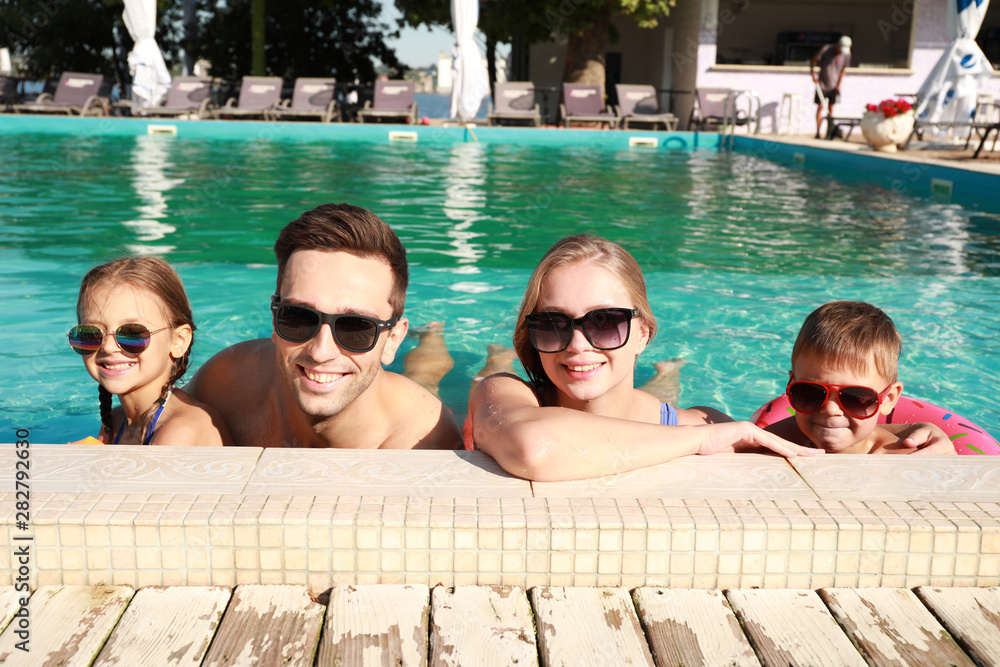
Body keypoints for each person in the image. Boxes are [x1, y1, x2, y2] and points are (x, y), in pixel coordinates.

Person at [467, 234, 826, 482]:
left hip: (662, 413)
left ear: (643, 333)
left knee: (662, 388)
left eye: (604, 322)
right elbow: (536, 448)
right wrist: (697, 440)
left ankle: (669, 372)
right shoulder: (502, 393)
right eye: (552, 324)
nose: (576, 344)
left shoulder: (707, 422)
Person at [186, 203, 462, 450]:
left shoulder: (422, 442)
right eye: (299, 317)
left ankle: (433, 337)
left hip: (402, 404)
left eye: (356, 326)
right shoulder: (225, 383)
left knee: (424, 376)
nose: (321, 352)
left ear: (392, 340)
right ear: (274, 319)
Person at [70, 257, 229, 446]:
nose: (108, 347)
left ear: (178, 341)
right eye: (91, 333)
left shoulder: (179, 431)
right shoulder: (117, 420)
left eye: (132, 333)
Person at [765, 301, 956, 455]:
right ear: (791, 386)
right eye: (810, 392)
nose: (831, 409)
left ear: (888, 399)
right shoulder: (774, 441)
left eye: (854, 397)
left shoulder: (898, 461)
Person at [810, 35, 852, 138]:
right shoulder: (826, 49)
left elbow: (843, 71)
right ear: (837, 45)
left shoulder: (847, 54)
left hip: (834, 86)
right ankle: (818, 133)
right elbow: (813, 61)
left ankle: (830, 133)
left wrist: (838, 86)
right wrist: (813, 74)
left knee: (831, 109)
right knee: (820, 107)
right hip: (822, 85)